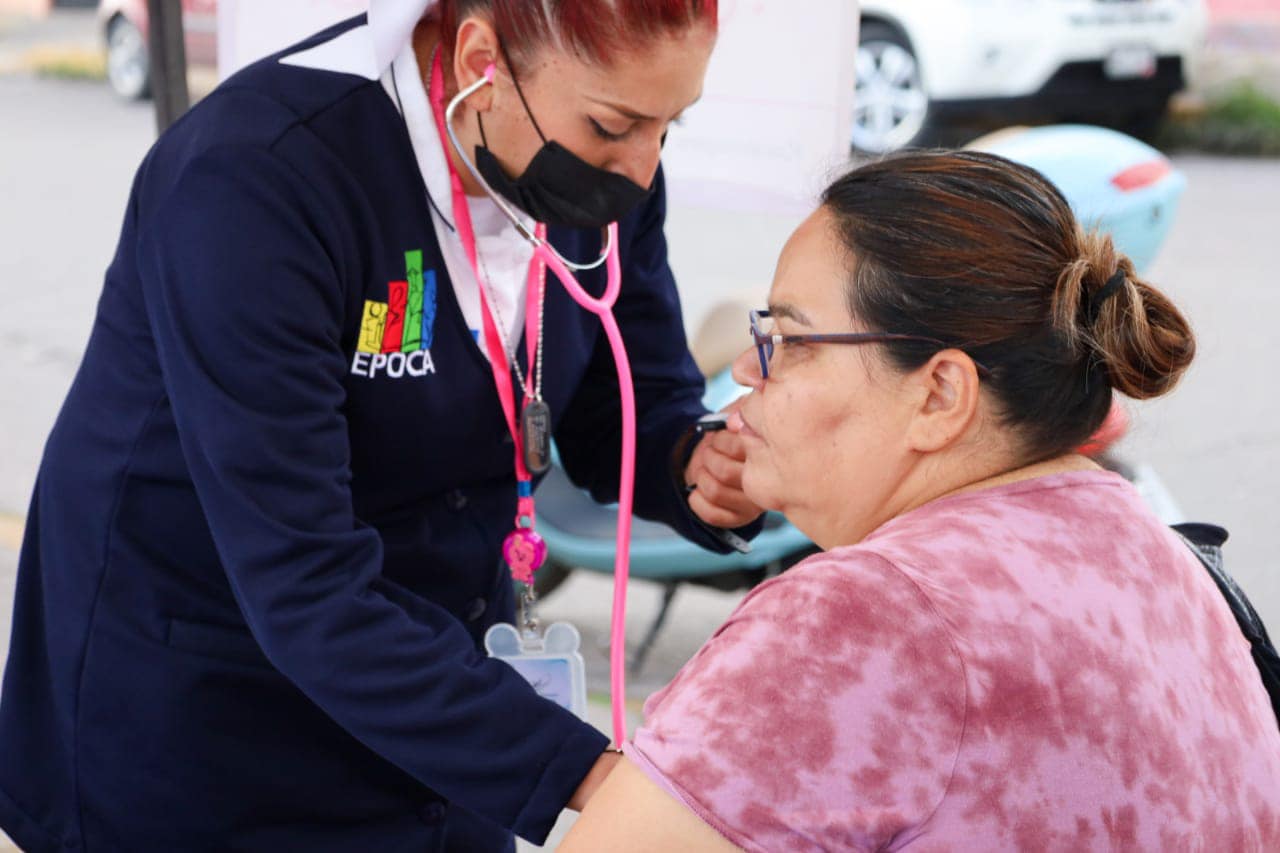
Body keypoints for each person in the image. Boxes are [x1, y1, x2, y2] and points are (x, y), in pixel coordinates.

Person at [0, 1, 765, 850]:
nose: (640, 168)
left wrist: (699, 462)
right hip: (204, 715)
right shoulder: (257, 177)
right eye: (614, 124)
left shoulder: (595, 170)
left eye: (671, 126)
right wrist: (593, 778)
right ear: (481, 56)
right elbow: (305, 583)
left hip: (436, 705)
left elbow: (625, 401)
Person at [563, 151, 1280, 851]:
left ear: (939, 394)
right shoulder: (1153, 549)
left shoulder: (867, 616)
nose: (750, 367)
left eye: (790, 338)